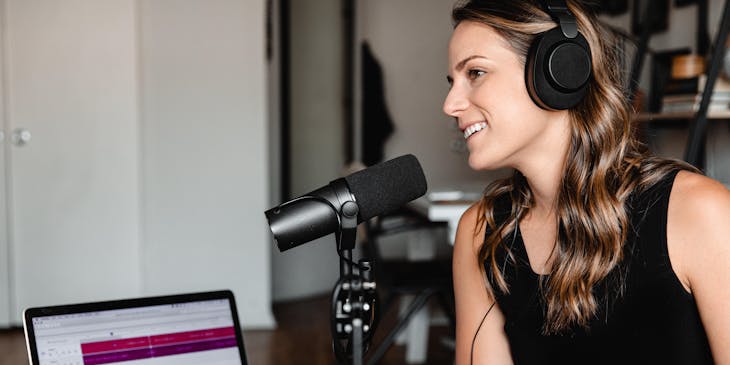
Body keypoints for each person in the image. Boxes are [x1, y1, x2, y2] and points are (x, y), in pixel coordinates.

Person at [442, 1, 730, 364]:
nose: (450, 104)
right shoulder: (482, 233)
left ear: (560, 70)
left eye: (476, 73)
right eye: (452, 82)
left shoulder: (698, 212)